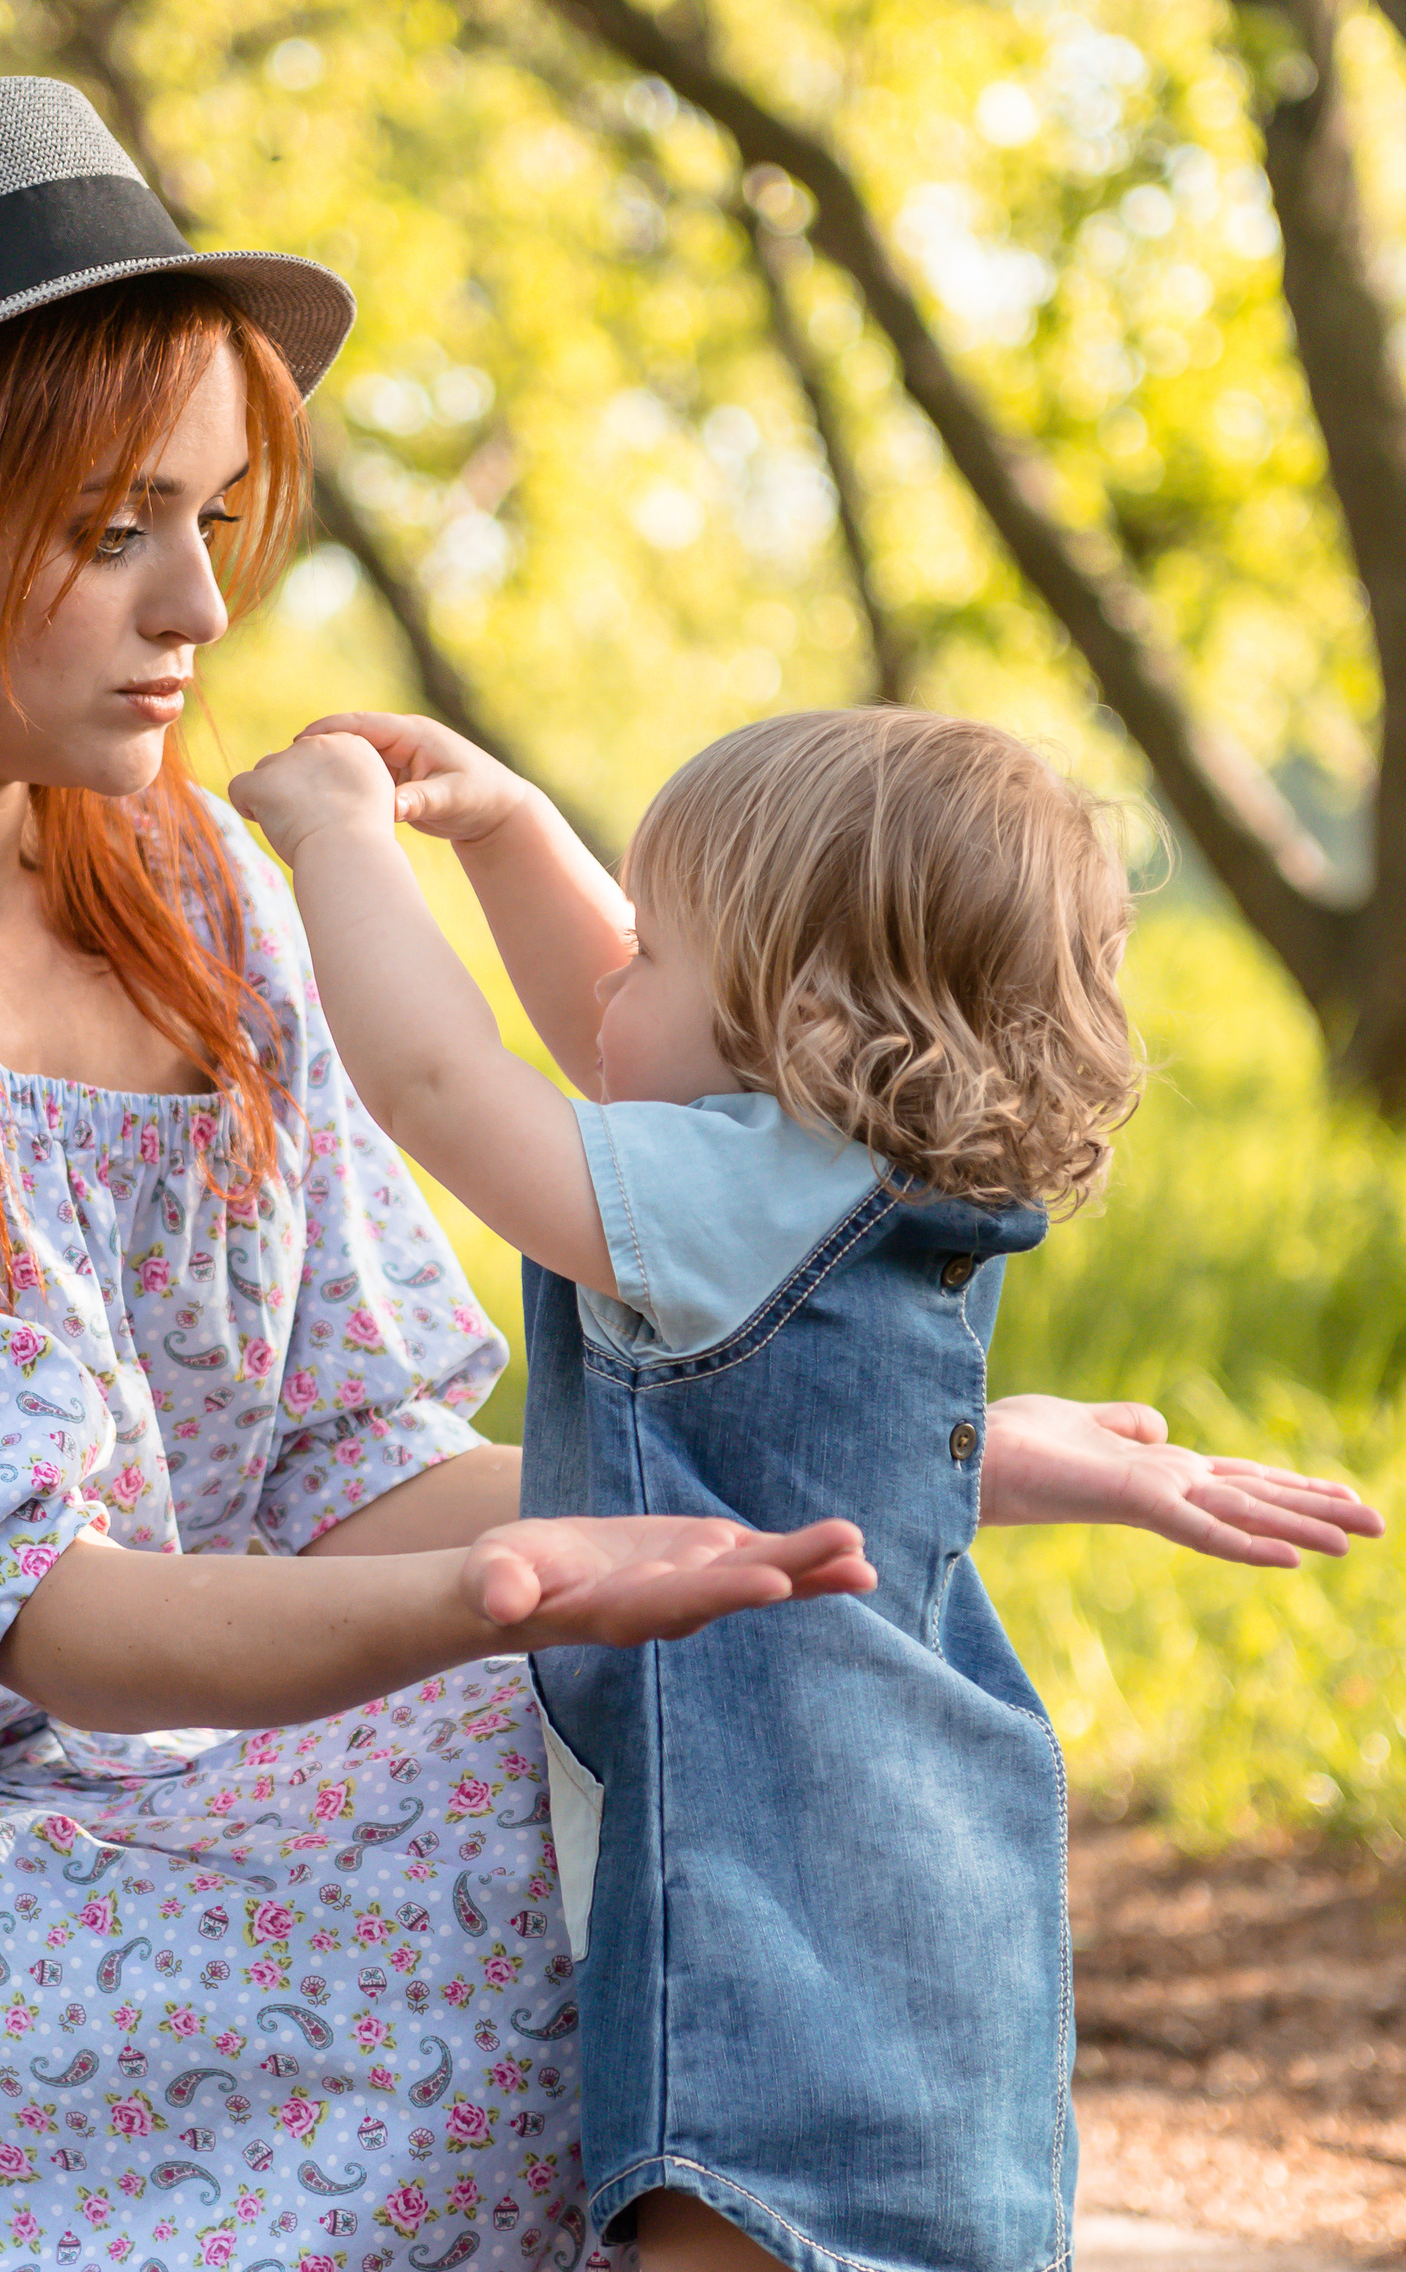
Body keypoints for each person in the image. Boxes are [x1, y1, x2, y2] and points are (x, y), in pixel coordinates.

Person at [0, 79, 1380, 2272]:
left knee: (753, 1684)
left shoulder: (189, 885)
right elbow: (46, 1619)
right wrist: (522, 1598)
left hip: (170, 1787)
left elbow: (345, 1464)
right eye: (108, 529)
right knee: (573, 1749)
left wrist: (870, 1476)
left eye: (217, 512)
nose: (200, 601)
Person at [233, 705, 1366, 2272]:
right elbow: (631, 1042)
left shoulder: (729, 1208)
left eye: (653, 948)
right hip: (926, 1879)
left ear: (802, 1024)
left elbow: (440, 1083)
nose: (611, 978)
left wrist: (341, 838)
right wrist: (504, 831)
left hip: (769, 1897)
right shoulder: (857, 1173)